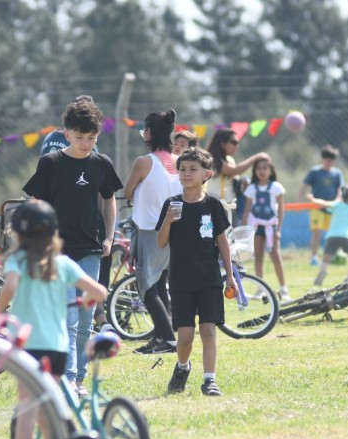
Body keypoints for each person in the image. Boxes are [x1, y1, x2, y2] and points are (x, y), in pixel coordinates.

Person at [0, 200, 107, 439]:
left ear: (17, 233)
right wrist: (87, 300)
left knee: (28, 407)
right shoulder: (62, 263)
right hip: (57, 348)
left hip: (26, 346)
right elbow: (100, 292)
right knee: (46, 404)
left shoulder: (18, 261)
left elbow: (10, 286)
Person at [23, 96, 122, 396]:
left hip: (90, 250)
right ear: (66, 134)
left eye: (91, 138)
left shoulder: (101, 164)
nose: (85, 144)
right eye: (79, 137)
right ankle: (66, 379)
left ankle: (79, 378)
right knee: (68, 317)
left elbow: (109, 200)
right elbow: (35, 203)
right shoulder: (51, 163)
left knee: (86, 319)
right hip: (57, 253)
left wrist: (109, 236)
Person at [157, 147, 234, 397]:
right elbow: (161, 242)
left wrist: (230, 275)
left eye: (193, 169)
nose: (186, 173)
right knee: (186, 336)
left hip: (209, 277)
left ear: (206, 174)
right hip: (181, 279)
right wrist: (168, 220)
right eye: (182, 169)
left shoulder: (213, 205)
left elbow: (222, 241)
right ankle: (182, 367)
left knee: (208, 330)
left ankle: (209, 380)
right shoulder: (171, 204)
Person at [122, 109, 182, 355]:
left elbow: (127, 192)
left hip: (149, 231)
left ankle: (168, 339)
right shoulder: (179, 161)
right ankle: (159, 337)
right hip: (174, 230)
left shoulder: (144, 162)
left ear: (148, 132)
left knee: (146, 288)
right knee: (159, 284)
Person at [242, 158, 287, 298]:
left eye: (265, 168)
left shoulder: (276, 188)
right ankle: (260, 289)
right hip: (256, 227)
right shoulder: (251, 189)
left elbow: (281, 211)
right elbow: (247, 210)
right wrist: (244, 230)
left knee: (276, 256)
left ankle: (283, 289)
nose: (262, 171)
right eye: (259, 168)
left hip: (270, 226)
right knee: (258, 257)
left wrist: (278, 230)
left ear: (271, 171)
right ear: (255, 171)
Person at [205, 128, 268, 226]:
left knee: (232, 234)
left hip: (230, 205)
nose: (236, 146)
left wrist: (242, 183)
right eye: (233, 142)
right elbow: (235, 170)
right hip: (215, 206)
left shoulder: (230, 159)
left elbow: (233, 178)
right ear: (222, 143)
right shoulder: (212, 160)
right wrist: (257, 157)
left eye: (238, 143)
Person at [297, 145, 344, 266]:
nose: (329, 162)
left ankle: (332, 256)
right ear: (323, 159)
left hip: (331, 208)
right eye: (327, 159)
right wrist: (299, 201)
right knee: (316, 232)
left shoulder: (337, 174)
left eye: (332, 160)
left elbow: (340, 189)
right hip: (316, 207)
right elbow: (304, 186)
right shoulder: (315, 172)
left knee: (332, 234)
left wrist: (337, 200)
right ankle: (314, 257)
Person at [310, 184, 348, 287]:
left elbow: (324, 203)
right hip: (346, 237)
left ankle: (322, 272)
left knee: (326, 259)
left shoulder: (337, 205)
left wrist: (313, 199)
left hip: (331, 236)